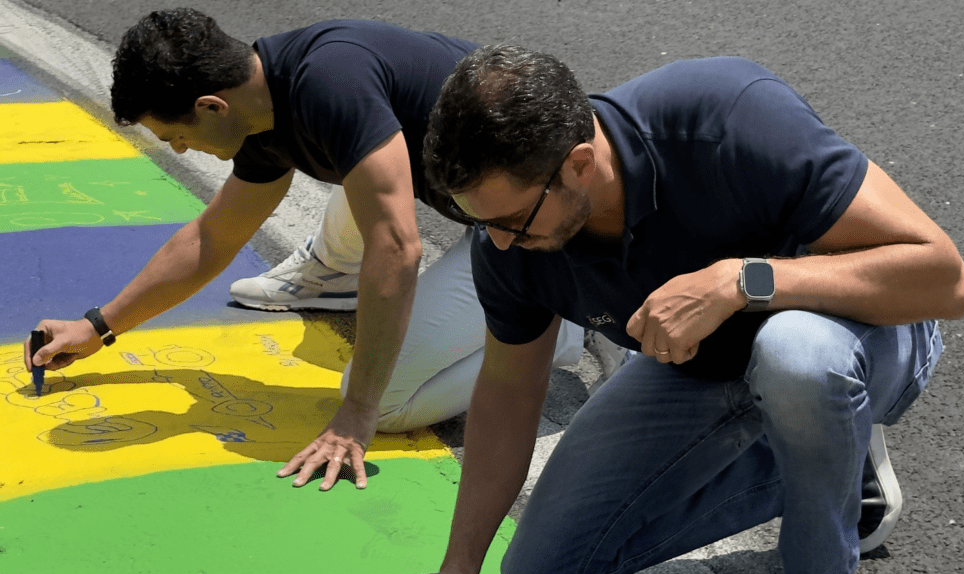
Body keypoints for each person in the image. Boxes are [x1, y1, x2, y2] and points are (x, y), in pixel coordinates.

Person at [390, 46, 964, 574]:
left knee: (794, 354)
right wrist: (458, 565)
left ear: (578, 163)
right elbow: (509, 391)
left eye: (509, 221)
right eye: (475, 221)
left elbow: (942, 278)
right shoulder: (511, 239)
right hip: (700, 367)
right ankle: (839, 468)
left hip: (854, 331)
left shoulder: (723, 117)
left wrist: (741, 280)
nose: (495, 245)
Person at [22, 10, 595, 491]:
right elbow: (212, 237)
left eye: (177, 137)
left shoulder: (329, 82)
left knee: (383, 400)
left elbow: (397, 248)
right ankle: (340, 278)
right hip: (480, 196)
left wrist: (357, 413)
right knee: (366, 164)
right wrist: (98, 326)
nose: (182, 150)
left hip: (535, 220)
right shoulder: (263, 97)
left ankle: (555, 328)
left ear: (211, 106)